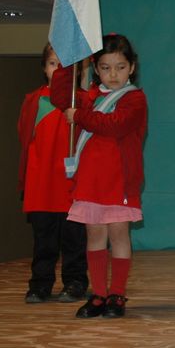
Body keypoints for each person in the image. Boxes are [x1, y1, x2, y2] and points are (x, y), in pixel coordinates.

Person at [51, 34, 147, 319]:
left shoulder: (135, 99)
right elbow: (60, 97)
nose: (113, 74)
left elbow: (115, 124)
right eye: (105, 68)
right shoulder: (89, 98)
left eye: (120, 67)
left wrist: (80, 116)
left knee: (118, 234)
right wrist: (69, 61)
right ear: (95, 68)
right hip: (90, 180)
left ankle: (117, 293)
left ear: (131, 67)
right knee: (94, 235)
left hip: (120, 181)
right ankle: (99, 294)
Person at [17, 44, 88, 303]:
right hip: (41, 181)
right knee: (43, 240)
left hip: (71, 182)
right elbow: (24, 137)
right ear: (43, 68)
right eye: (52, 64)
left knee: (73, 239)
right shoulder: (34, 100)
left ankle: (75, 281)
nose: (58, 71)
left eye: (65, 65)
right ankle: (40, 284)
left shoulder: (83, 101)